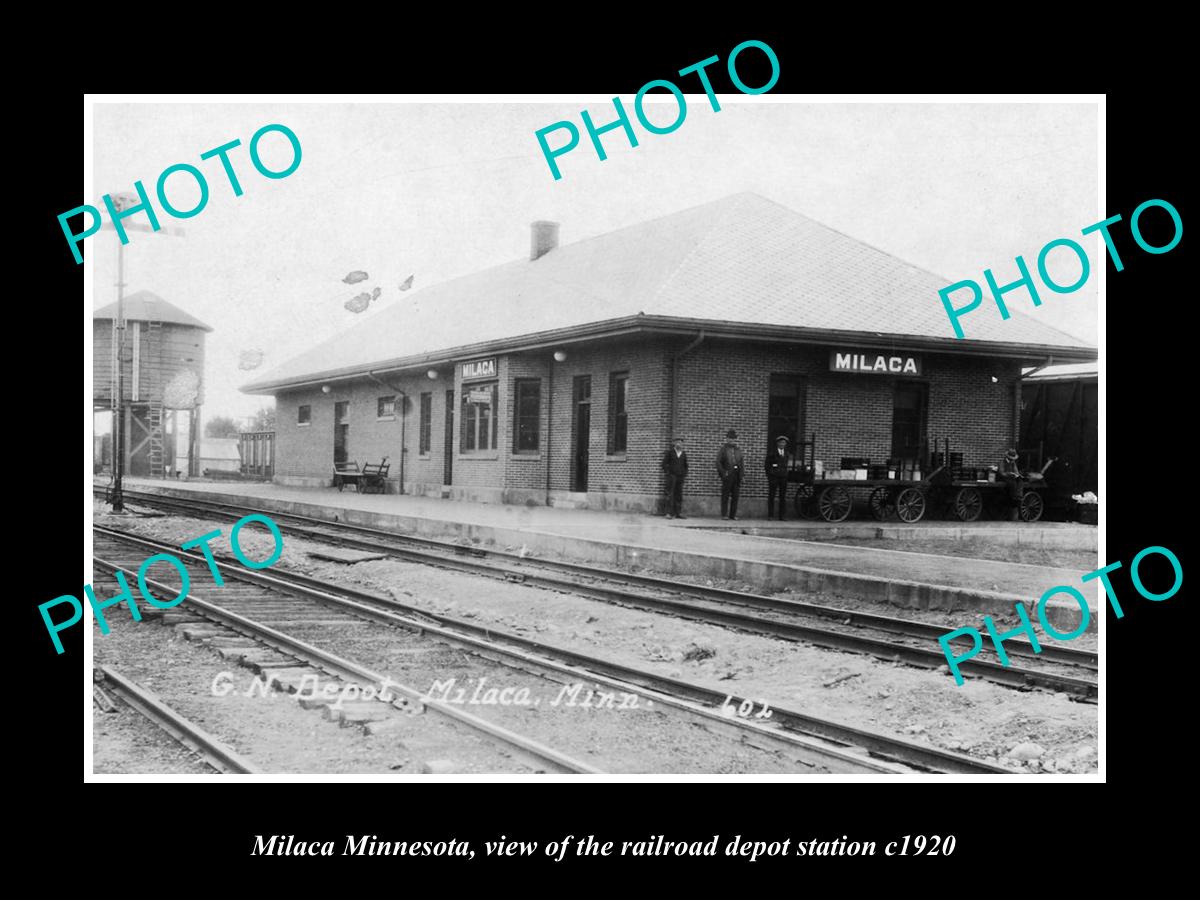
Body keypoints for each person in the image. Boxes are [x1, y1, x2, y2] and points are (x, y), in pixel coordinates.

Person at [716, 429, 744, 520]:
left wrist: (742, 475)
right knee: (725, 495)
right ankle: (724, 514)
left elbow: (741, 463)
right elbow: (718, 462)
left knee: (735, 496)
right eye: (730, 438)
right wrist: (724, 473)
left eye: (733, 438)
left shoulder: (738, 450)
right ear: (727, 439)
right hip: (728, 475)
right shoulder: (723, 449)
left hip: (736, 476)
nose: (732, 440)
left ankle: (733, 515)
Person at [661, 438, 689, 519]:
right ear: (674, 444)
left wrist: (684, 473)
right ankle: (669, 513)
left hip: (680, 477)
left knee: (679, 495)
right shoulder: (670, 453)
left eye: (681, 443)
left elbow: (686, 465)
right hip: (672, 477)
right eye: (677, 443)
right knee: (670, 494)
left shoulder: (683, 454)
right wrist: (668, 473)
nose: (679, 444)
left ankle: (678, 513)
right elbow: (664, 464)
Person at [764, 435, 791, 520]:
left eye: (784, 443)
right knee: (772, 496)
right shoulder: (772, 453)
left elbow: (786, 465)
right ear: (777, 443)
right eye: (781, 442)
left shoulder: (786, 454)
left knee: (782, 497)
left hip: (783, 477)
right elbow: (767, 466)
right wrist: (769, 476)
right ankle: (770, 515)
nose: (782, 444)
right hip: (774, 477)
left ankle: (782, 516)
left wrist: (786, 474)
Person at [999, 448, 1023, 520]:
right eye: (1011, 458)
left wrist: (1016, 474)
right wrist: (1009, 474)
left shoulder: (1013, 463)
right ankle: (1014, 497)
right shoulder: (1002, 462)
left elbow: (1016, 471)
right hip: (1004, 478)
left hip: (1011, 478)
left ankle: (1018, 496)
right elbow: (1001, 472)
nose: (1012, 460)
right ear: (1007, 457)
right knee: (1012, 484)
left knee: (1020, 480)